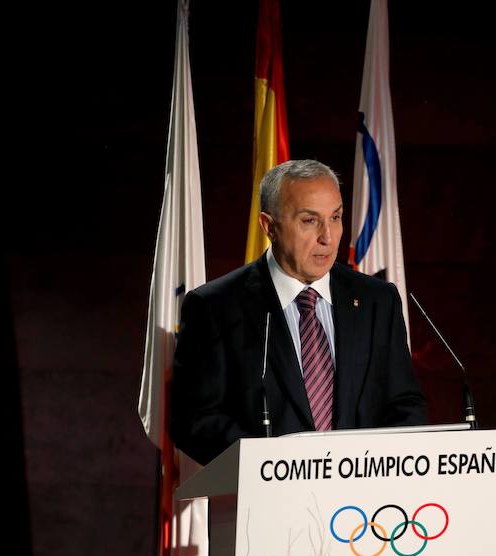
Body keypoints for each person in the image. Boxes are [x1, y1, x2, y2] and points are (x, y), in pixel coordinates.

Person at [171, 159, 427, 465]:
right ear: (270, 226)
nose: (328, 238)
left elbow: (404, 403)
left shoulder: (377, 300)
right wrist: (275, 466)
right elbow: (197, 420)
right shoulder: (216, 307)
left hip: (363, 504)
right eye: (310, 221)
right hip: (268, 500)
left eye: (335, 217)